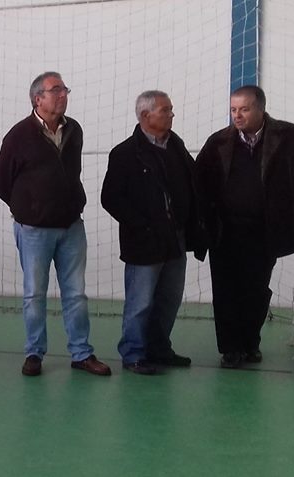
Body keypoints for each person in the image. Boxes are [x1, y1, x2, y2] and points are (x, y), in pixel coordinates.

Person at [195, 85, 294, 368]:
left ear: (260, 109)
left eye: (244, 109)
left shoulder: (288, 136)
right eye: (233, 109)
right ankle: (230, 349)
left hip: (266, 232)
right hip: (224, 232)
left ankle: (250, 342)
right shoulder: (218, 141)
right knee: (226, 291)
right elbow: (197, 179)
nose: (237, 115)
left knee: (256, 290)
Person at [0, 72, 111, 377]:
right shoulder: (18, 136)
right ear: (38, 99)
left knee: (76, 294)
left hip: (71, 226)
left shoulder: (74, 130)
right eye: (55, 90)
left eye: (64, 89)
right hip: (34, 230)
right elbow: (3, 183)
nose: (63, 95)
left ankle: (81, 353)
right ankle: (34, 353)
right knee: (35, 294)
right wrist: (30, 209)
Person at [101, 91, 201, 375]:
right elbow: (111, 198)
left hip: (175, 237)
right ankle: (133, 353)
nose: (171, 114)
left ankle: (159, 348)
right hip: (144, 241)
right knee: (141, 301)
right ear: (146, 116)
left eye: (170, 109)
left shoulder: (176, 146)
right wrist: (142, 225)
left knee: (170, 298)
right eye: (165, 110)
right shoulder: (125, 153)